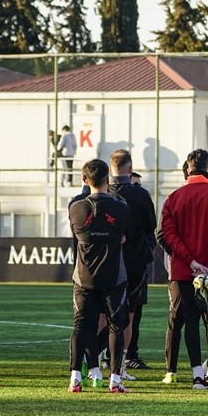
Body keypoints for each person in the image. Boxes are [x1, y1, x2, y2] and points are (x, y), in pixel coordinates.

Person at [159, 149, 208, 389]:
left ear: (188, 169)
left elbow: (167, 234)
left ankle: (196, 376)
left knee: (190, 320)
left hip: (184, 270)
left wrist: (191, 262)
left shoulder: (174, 198)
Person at [67, 159, 132, 393]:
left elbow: (77, 234)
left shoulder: (75, 207)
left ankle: (75, 378)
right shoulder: (121, 207)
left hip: (83, 276)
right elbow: (126, 234)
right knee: (116, 327)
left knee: (81, 326)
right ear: (108, 180)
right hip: (114, 276)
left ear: (85, 180)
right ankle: (115, 379)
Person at [109, 149, 157, 371]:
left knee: (103, 313)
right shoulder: (141, 195)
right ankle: (120, 366)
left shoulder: (103, 193)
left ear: (111, 168)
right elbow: (151, 227)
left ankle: (97, 363)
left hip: (105, 263)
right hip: (134, 263)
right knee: (128, 314)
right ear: (130, 168)